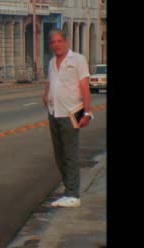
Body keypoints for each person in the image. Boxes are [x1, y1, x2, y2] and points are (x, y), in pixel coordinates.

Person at [42, 28, 93, 208]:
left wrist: (86, 112)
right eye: (52, 42)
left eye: (58, 41)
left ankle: (74, 194)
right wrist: (46, 97)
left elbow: (84, 87)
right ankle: (68, 190)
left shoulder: (78, 60)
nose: (56, 45)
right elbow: (50, 84)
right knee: (59, 155)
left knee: (70, 154)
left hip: (71, 113)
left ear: (66, 42)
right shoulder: (51, 63)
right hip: (54, 112)